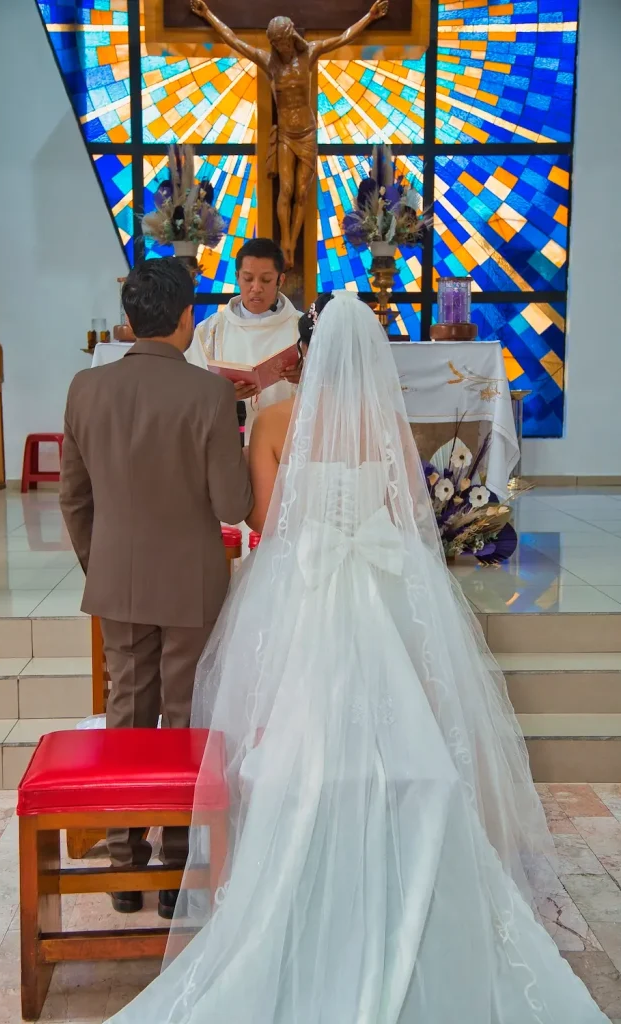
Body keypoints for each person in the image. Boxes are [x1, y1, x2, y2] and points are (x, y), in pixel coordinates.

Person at [107, 292, 609, 1023]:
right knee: (404, 727)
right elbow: (411, 517)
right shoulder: (389, 425)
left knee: (286, 742)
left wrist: (317, 528)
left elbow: (264, 522)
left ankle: (285, 860)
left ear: (304, 351)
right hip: (376, 587)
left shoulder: (277, 420)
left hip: (301, 582)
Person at [59, 257, 252, 921]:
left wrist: (101, 563)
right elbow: (231, 505)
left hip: (114, 575)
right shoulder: (207, 395)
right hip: (191, 576)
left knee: (126, 708)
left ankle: (121, 861)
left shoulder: (85, 389)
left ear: (130, 318)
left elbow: (72, 498)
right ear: (183, 319)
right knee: (184, 713)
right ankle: (174, 865)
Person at [190, 0, 389, 269]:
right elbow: (234, 40)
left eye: (284, 41)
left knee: (302, 193)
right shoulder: (269, 62)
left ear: (291, 37)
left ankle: (292, 241)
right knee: (285, 189)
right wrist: (208, 14)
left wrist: (370, 16)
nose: (281, 47)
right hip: (285, 134)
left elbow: (344, 37)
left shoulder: (310, 54)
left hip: (307, 133)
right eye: (276, 43)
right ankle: (285, 242)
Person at [186, 238, 302, 440]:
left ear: (280, 280)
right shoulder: (210, 331)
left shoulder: (303, 329)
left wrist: (305, 378)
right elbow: (190, 393)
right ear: (237, 277)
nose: (256, 288)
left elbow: (333, 390)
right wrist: (224, 396)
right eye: (248, 279)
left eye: (265, 280)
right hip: (228, 442)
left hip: (287, 444)